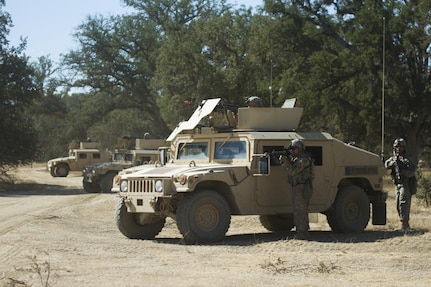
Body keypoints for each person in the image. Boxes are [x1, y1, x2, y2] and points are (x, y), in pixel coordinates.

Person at [283, 139, 314, 240]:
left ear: (300, 149)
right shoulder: (298, 159)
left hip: (301, 187)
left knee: (299, 211)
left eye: (294, 149)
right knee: (301, 211)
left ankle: (301, 234)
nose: (292, 151)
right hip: (298, 187)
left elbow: (292, 171)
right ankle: (304, 232)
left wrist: (285, 162)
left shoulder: (304, 160)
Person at [385, 138, 416, 231]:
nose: (398, 149)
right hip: (397, 184)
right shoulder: (394, 158)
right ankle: (402, 222)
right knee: (398, 204)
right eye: (397, 147)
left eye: (400, 147)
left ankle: (405, 224)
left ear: (404, 147)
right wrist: (392, 163)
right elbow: (386, 164)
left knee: (403, 203)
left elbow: (412, 171)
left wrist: (404, 172)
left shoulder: (407, 159)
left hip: (405, 184)